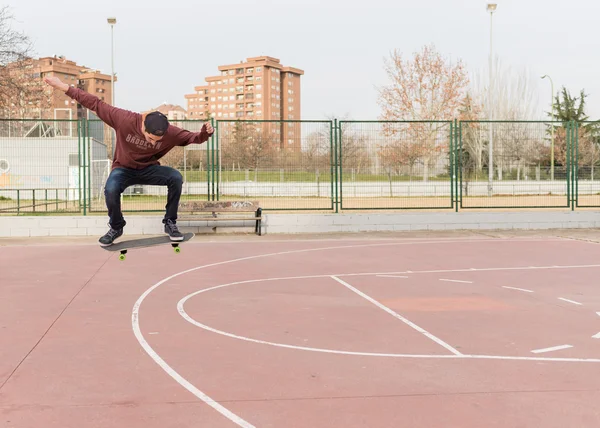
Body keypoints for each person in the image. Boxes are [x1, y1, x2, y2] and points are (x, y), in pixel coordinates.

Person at [43, 76, 214, 246]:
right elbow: (95, 103)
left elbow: (195, 138)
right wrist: (64, 87)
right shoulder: (124, 119)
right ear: (143, 127)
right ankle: (116, 226)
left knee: (175, 177)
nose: (153, 143)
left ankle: (170, 223)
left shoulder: (171, 132)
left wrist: (205, 133)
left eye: (157, 140)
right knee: (111, 188)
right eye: (150, 138)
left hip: (149, 169)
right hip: (123, 169)